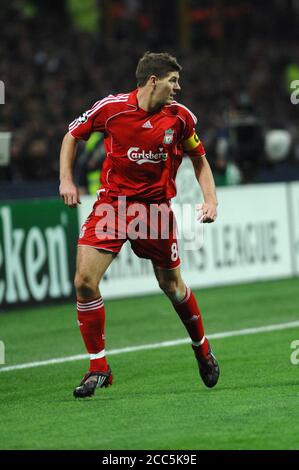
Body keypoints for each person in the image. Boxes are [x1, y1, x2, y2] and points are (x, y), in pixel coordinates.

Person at [59, 52, 220, 398]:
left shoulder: (181, 119)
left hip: (155, 213)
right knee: (84, 282)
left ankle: (202, 348)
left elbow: (200, 160)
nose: (178, 87)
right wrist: (66, 181)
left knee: (172, 287)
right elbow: (72, 135)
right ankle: (98, 367)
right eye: (173, 80)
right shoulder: (111, 109)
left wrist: (211, 201)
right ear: (153, 81)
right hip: (112, 207)